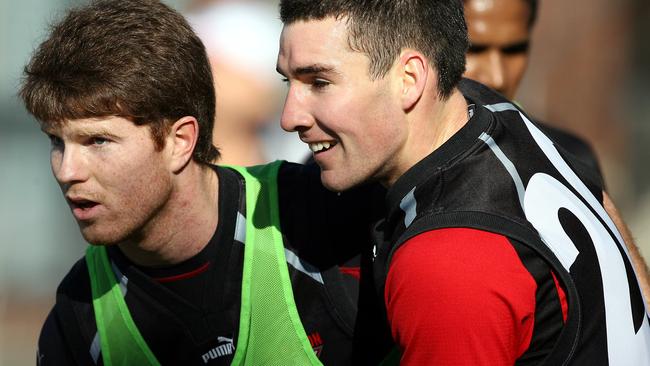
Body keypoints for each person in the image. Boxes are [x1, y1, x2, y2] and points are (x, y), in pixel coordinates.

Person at [276, 0, 650, 365]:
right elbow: (605, 208)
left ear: (409, 79)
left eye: (320, 82)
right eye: (287, 81)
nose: (289, 117)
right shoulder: (491, 108)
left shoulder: (445, 262)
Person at [21, 0, 377, 364]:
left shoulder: (325, 215)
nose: (67, 171)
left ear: (180, 141)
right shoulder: (78, 317)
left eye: (98, 141)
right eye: (56, 141)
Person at [462, 0, 604, 178]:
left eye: (514, 50)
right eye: (474, 49)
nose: (498, 78)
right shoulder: (417, 162)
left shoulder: (571, 161)